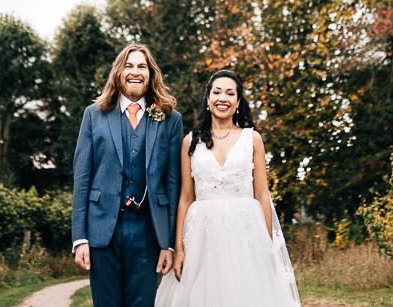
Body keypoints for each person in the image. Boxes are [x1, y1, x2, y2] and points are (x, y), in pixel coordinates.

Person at [155, 69, 300, 307]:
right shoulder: (190, 142)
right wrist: (179, 248)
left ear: (238, 102)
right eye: (217, 92)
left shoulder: (252, 140)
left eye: (230, 93)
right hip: (203, 238)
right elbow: (185, 198)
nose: (223, 98)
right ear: (208, 99)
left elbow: (262, 195)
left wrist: (267, 244)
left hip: (246, 234)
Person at [72, 44, 183, 307]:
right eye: (129, 66)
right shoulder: (94, 115)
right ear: (118, 72)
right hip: (102, 231)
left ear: (151, 74)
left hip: (148, 233)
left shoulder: (170, 119)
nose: (135, 72)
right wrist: (80, 238)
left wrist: (168, 244)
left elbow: (173, 183)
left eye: (142, 66)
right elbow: (82, 178)